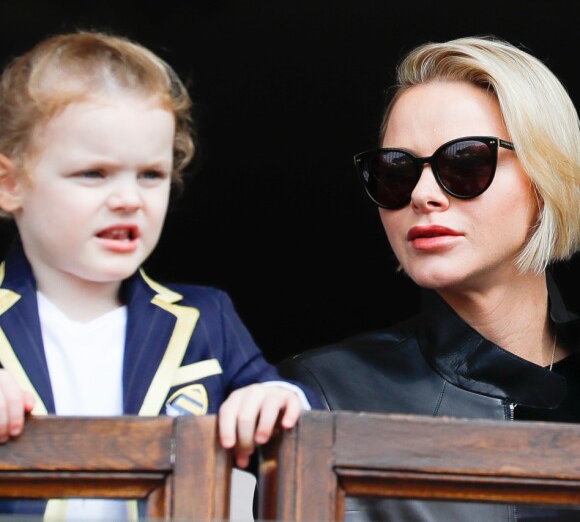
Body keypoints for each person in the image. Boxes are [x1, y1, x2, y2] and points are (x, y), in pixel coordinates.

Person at [0, 30, 319, 520]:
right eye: (94, 173)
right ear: (10, 184)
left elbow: (286, 417)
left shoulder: (204, 317)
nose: (130, 198)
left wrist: (274, 399)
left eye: (150, 174)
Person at [279, 35, 580, 520]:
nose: (422, 194)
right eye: (396, 171)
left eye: (465, 162)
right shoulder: (324, 394)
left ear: (546, 177)